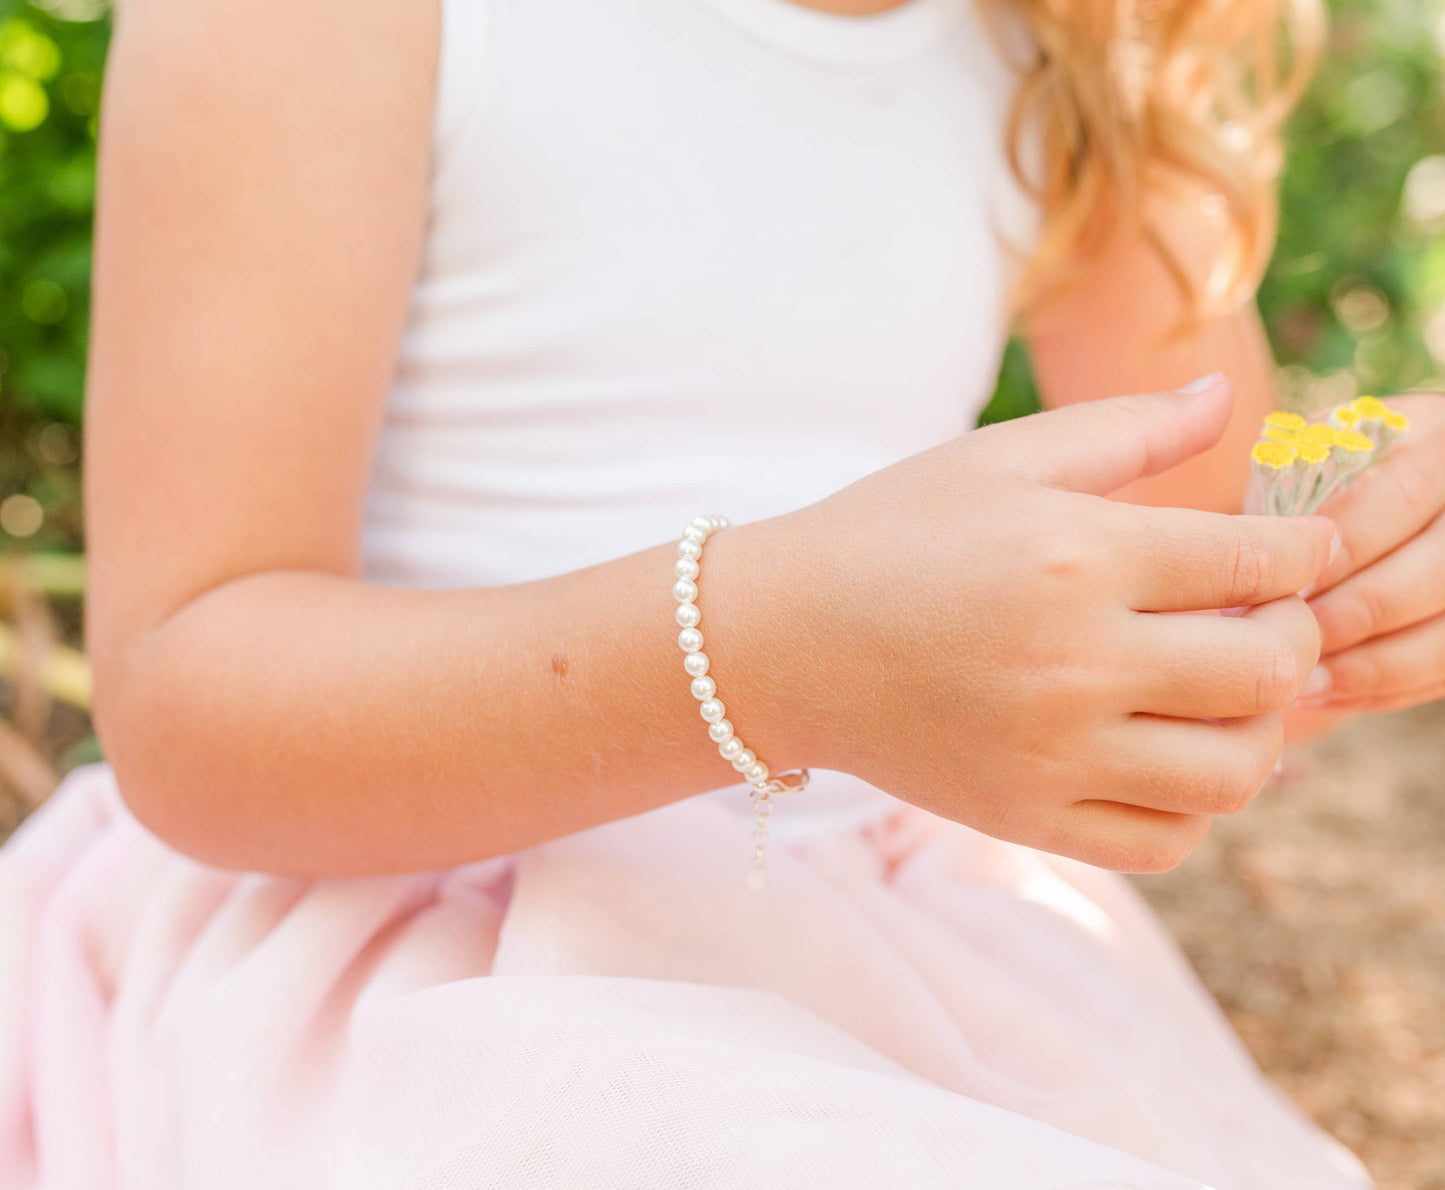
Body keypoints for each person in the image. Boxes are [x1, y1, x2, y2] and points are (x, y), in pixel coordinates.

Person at [5, 0, 1444, 1184]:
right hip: (398, 942)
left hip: (887, 927)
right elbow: (186, 698)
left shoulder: (1063, 48)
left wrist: (1362, 579)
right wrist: (767, 653)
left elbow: (1203, 623)